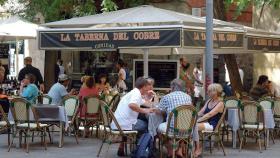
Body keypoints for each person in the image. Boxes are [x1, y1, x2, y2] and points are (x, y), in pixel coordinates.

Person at [111, 77, 155, 156]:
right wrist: (145, 110)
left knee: (143, 124)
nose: (148, 89)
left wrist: (151, 98)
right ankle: (141, 151)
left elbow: (147, 103)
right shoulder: (136, 93)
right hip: (124, 124)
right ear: (144, 86)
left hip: (118, 123)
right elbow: (132, 105)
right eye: (148, 86)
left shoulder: (134, 92)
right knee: (148, 126)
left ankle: (138, 149)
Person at [155, 79, 199, 158]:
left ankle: (171, 151)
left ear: (172, 87)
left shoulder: (166, 97)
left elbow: (159, 111)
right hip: (187, 129)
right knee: (182, 127)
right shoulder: (188, 97)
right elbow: (190, 109)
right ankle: (179, 150)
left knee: (158, 128)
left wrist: (166, 112)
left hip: (172, 129)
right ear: (183, 87)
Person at [196, 83, 225, 157]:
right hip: (205, 123)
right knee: (190, 126)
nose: (208, 92)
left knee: (194, 127)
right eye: (208, 91)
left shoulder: (220, 103)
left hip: (212, 125)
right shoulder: (209, 101)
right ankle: (187, 148)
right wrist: (193, 117)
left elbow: (209, 115)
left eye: (210, 91)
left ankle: (198, 149)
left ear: (216, 92)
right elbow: (201, 112)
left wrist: (196, 121)